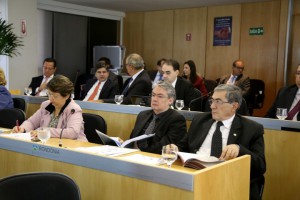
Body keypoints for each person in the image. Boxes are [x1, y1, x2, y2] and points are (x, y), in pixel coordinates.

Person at [175, 84, 266, 200]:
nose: (212, 106)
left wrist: (239, 149)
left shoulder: (252, 129)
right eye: (212, 101)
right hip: (194, 177)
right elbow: (184, 146)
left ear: (234, 106)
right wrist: (175, 148)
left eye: (218, 102)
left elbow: (261, 166)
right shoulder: (200, 120)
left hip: (228, 183)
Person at [13, 75, 87, 141]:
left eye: (55, 96)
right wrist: (23, 129)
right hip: (50, 145)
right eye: (49, 94)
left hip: (73, 148)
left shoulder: (74, 109)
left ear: (67, 96)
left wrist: (45, 131)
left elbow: (72, 132)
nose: (51, 99)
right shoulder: (46, 105)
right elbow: (31, 122)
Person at [128, 81, 186, 154]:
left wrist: (140, 152)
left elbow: (164, 147)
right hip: (132, 154)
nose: (155, 99)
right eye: (153, 95)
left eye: (160, 96)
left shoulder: (176, 119)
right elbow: (132, 139)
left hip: (154, 157)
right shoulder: (142, 115)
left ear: (170, 100)